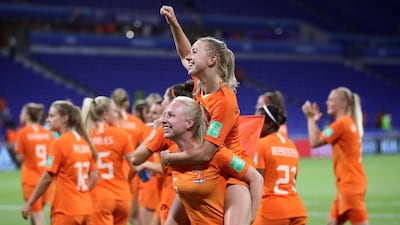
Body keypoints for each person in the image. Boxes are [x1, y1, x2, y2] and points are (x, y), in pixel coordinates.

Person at [160, 5, 256, 224]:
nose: (189, 58)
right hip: (207, 165)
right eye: (191, 53)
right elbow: (185, 55)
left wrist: (170, 158)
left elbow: (206, 152)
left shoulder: (225, 101)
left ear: (212, 60)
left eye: (196, 52)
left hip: (231, 170)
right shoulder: (200, 84)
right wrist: (174, 24)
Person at [161, 96, 263, 225]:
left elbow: (256, 179)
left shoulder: (218, 155)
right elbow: (184, 197)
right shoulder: (172, 155)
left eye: (171, 115)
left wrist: (251, 218)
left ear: (189, 122)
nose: (163, 120)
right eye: (164, 115)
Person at [21, 100, 98, 225]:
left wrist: (30, 202)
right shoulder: (84, 143)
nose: (47, 120)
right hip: (86, 209)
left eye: (52, 116)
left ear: (64, 118)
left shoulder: (59, 143)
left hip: (66, 210)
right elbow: (94, 175)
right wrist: (80, 195)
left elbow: (47, 177)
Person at [302, 87, 368, 225]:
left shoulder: (342, 124)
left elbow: (315, 142)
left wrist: (310, 118)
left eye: (331, 100)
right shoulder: (349, 123)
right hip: (350, 184)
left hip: (350, 187)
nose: (327, 103)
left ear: (343, 103)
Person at [132, 81, 194, 225]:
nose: (162, 102)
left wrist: (155, 130)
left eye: (165, 99)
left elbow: (136, 158)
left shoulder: (167, 130)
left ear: (173, 103)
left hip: (173, 195)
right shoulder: (199, 125)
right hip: (196, 197)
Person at [81, 96, 135, 225]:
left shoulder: (86, 136)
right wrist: (126, 181)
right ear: (105, 115)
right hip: (122, 196)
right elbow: (135, 166)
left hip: (99, 197)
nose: (117, 115)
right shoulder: (122, 134)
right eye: (114, 111)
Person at [253, 104, 307, 225]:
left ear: (270, 124)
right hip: (297, 210)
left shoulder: (261, 144)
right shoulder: (291, 145)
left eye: (258, 120)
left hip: (271, 212)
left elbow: (257, 181)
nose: (254, 124)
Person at [111, 87, 150, 225]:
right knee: (133, 217)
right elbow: (146, 147)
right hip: (133, 172)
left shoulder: (109, 124)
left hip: (110, 174)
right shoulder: (136, 123)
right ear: (127, 103)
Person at [15, 103, 54, 225]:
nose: (20, 115)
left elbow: (19, 157)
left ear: (27, 116)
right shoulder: (48, 133)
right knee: (35, 214)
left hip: (31, 181)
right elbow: (51, 157)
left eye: (22, 113)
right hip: (46, 180)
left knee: (37, 216)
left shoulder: (22, 133)